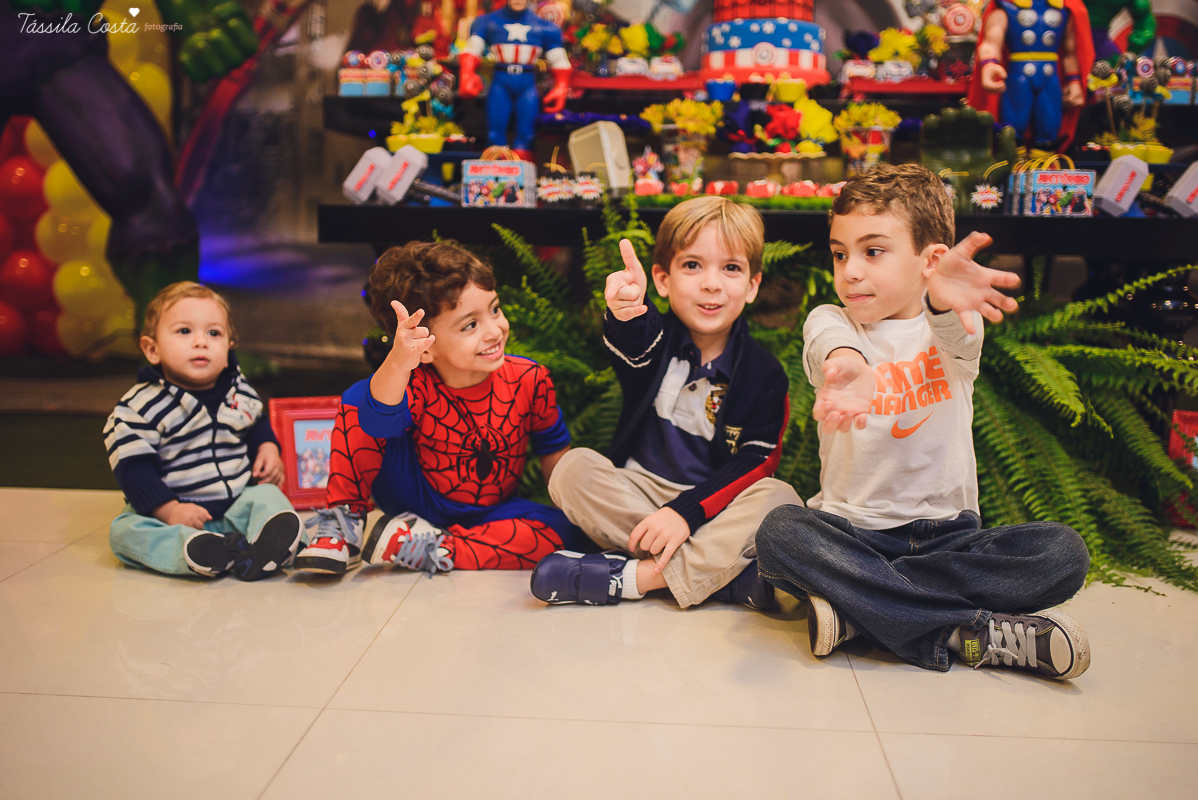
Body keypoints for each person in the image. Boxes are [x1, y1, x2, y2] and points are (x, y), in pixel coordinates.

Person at [754, 163, 1092, 679]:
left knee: (1062, 553)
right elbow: (833, 349)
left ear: (931, 260)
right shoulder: (830, 318)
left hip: (947, 537)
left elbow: (950, 324)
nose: (850, 271)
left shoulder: (955, 324)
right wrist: (851, 370)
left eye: (873, 251)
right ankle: (964, 631)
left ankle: (861, 610)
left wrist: (940, 295)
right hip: (851, 533)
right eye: (841, 253)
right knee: (780, 535)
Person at [529, 196, 801, 609]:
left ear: (752, 285)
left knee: (780, 498)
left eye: (730, 268)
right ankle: (721, 578)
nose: (711, 283)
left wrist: (686, 513)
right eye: (692, 265)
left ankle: (636, 577)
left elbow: (755, 462)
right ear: (662, 279)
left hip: (712, 505)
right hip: (637, 494)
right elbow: (634, 344)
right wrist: (626, 313)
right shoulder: (658, 340)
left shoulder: (764, 374)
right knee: (571, 468)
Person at [293, 240, 586, 575]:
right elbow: (376, 423)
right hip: (413, 495)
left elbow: (556, 455)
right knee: (363, 398)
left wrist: (579, 512)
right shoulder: (417, 385)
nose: (494, 331)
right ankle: (344, 523)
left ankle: (432, 547)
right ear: (424, 348)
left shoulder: (531, 379)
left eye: (495, 309)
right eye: (470, 325)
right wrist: (400, 363)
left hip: (490, 510)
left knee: (567, 532)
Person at [104, 282, 303, 580]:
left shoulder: (239, 391)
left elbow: (256, 422)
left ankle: (271, 542)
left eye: (214, 333)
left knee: (267, 496)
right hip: (175, 515)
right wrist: (169, 510)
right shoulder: (138, 407)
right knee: (124, 531)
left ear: (229, 348)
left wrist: (268, 448)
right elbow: (134, 469)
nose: (201, 341)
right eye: (184, 331)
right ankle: (197, 551)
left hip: (237, 501)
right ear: (152, 349)